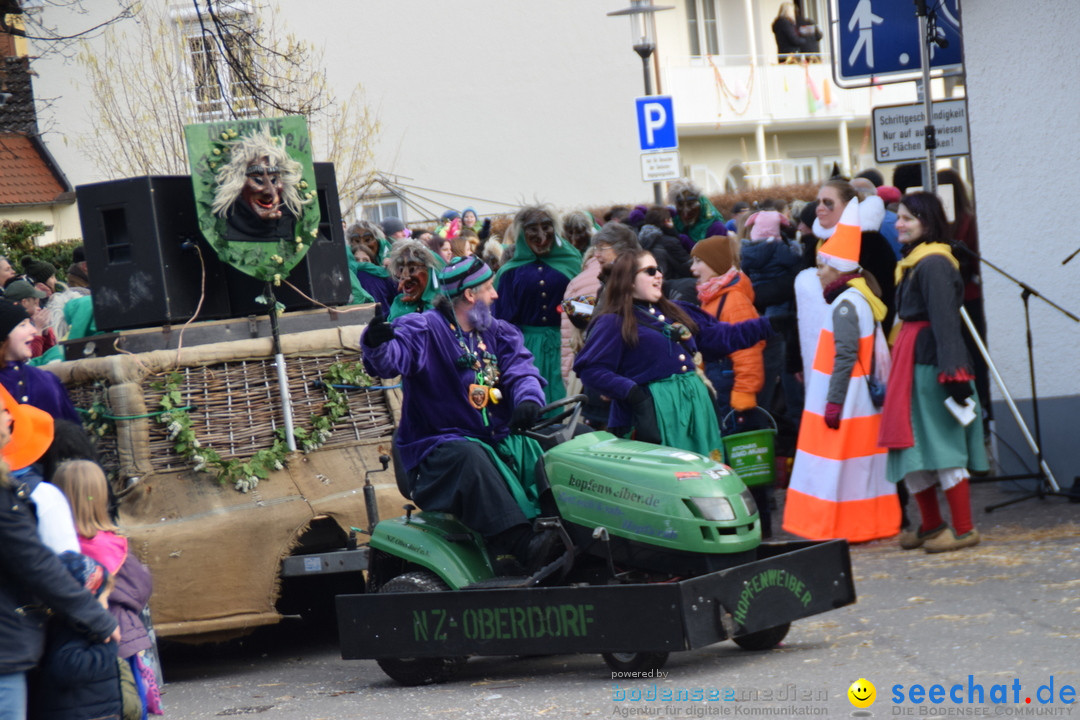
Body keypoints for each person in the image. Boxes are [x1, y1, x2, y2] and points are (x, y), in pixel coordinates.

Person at [361, 256, 559, 571]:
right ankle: (522, 544)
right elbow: (390, 360)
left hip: (498, 440)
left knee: (568, 436)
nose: (495, 295)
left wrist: (528, 399)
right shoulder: (423, 328)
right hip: (436, 450)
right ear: (470, 294)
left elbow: (522, 371)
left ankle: (568, 525)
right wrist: (376, 344)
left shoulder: (497, 331)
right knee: (469, 456)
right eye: (489, 287)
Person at [574, 250, 773, 461]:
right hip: (653, 415)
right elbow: (590, 369)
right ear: (629, 280)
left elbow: (720, 336)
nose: (658, 275)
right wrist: (633, 393)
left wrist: (769, 325)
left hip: (695, 410)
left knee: (703, 473)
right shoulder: (614, 321)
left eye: (658, 269)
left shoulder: (675, 311)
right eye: (650, 271)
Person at [782, 199, 899, 543]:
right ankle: (865, 525)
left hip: (844, 407)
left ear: (838, 269)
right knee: (860, 472)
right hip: (856, 404)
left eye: (823, 266)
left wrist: (832, 403)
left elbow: (844, 358)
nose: (817, 272)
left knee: (835, 468)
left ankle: (833, 527)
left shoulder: (846, 306)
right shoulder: (859, 299)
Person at [878, 192, 987, 553]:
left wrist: (954, 376)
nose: (899, 223)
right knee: (910, 444)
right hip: (913, 361)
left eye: (908, 218)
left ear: (928, 220)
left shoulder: (935, 263)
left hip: (930, 365)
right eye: (899, 217)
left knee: (941, 443)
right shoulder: (915, 262)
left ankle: (963, 528)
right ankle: (931, 524)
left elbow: (945, 324)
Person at [0, 400, 118, 720]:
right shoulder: (36, 497)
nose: (9, 416)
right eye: (1, 410)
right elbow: (48, 565)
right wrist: (98, 619)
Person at [53, 461, 160, 716]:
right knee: (131, 705)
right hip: (122, 638)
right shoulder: (113, 544)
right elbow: (141, 587)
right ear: (101, 497)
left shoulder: (56, 548)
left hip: (75, 649)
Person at [494, 206, 582, 406]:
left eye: (546, 226)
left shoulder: (572, 262)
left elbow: (585, 306)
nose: (541, 234)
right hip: (527, 348)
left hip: (568, 343)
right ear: (522, 234)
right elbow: (503, 322)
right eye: (532, 228)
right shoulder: (509, 273)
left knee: (567, 403)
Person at [28, 552, 125, 720]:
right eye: (104, 598)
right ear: (88, 600)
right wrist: (109, 647)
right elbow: (68, 668)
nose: (107, 605)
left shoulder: (77, 626)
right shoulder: (73, 628)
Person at [813, 179, 897, 335]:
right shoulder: (817, 242)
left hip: (857, 334)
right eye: (818, 202)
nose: (820, 208)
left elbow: (883, 296)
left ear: (848, 206)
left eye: (828, 202)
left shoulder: (870, 243)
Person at [0, 302, 80, 424]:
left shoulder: (47, 380)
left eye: (30, 324)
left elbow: (73, 435)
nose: (33, 330)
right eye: (22, 325)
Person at [387, 240, 442, 321]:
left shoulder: (444, 309)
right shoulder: (400, 305)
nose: (404, 276)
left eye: (412, 269)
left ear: (430, 273)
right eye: (401, 269)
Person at [667, 179, 727, 251]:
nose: (685, 211)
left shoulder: (716, 228)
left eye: (690, 204)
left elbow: (714, 257)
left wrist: (687, 242)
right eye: (680, 205)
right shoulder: (677, 224)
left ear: (701, 204)